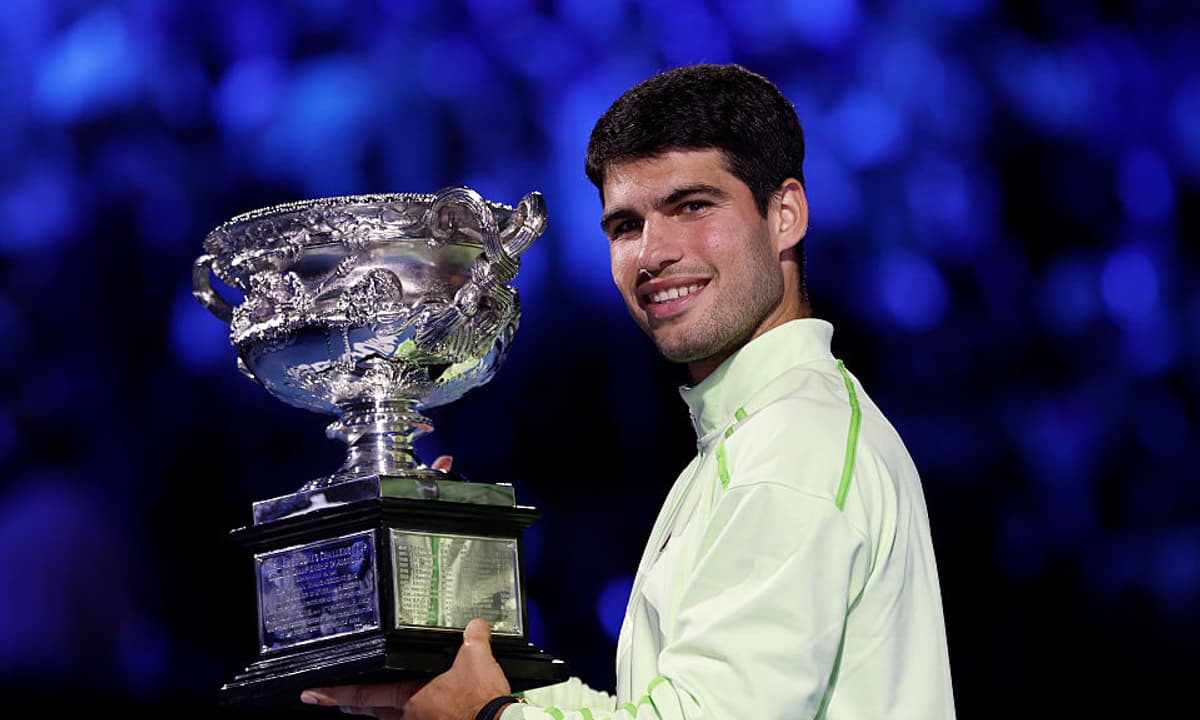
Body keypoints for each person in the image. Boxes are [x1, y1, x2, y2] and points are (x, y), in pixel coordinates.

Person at [301, 62, 955, 719]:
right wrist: (466, 663)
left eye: (692, 206)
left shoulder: (787, 453)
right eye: (625, 227)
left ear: (785, 215)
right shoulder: (753, 439)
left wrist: (488, 717)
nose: (652, 253)